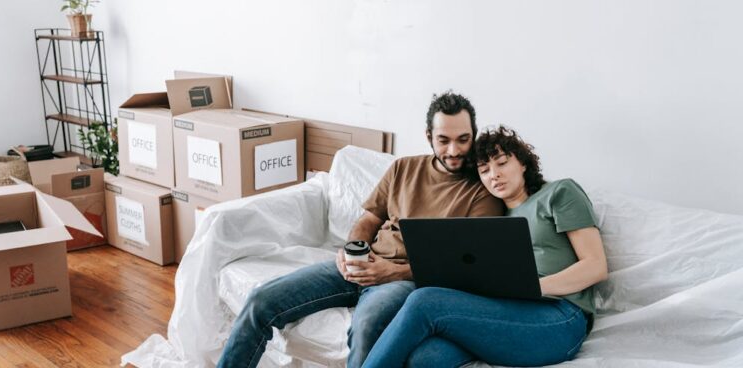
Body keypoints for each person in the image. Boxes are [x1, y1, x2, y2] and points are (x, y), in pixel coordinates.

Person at [216, 92, 503, 368]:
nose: (454, 151)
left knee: (365, 328)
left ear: (473, 135)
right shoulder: (404, 168)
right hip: (362, 263)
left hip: (404, 280)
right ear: (429, 137)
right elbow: (369, 218)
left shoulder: (483, 191)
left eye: (463, 140)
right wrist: (352, 249)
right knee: (261, 301)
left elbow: (466, 263)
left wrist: (394, 272)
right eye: (444, 140)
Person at [363, 126, 609, 368]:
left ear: (523, 163)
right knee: (425, 358)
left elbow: (596, 266)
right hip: (507, 312)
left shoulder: (559, 192)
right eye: (484, 169)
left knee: (424, 300)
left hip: (560, 317)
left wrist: (530, 288)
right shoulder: (495, 219)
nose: (494, 174)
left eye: (502, 163)